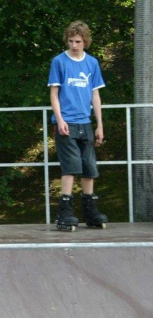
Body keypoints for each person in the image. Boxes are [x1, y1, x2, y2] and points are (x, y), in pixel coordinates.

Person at [48, 21, 108, 231]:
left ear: (85, 42)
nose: (74, 45)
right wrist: (60, 119)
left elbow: (95, 94)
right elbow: (54, 94)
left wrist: (99, 124)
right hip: (67, 122)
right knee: (71, 166)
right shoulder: (59, 61)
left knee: (89, 167)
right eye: (71, 41)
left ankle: (90, 210)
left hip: (85, 122)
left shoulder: (91, 63)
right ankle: (65, 211)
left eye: (79, 41)